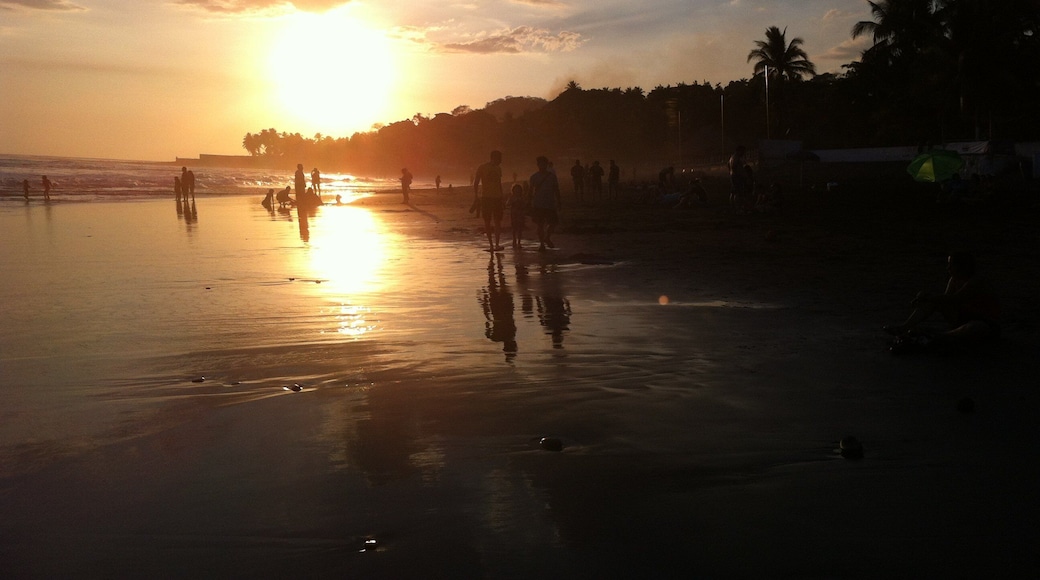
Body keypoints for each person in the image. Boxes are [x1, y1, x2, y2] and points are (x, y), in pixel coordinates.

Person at [885, 252, 1001, 354]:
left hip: (984, 322)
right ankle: (904, 327)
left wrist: (928, 297)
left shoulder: (976, 282)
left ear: (962, 266)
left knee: (975, 327)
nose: (948, 268)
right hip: (963, 316)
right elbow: (946, 299)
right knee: (934, 302)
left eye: (951, 265)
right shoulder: (954, 279)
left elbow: (956, 298)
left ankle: (940, 336)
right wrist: (926, 299)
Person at [472, 150, 505, 252]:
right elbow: (476, 182)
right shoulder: (482, 167)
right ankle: (491, 245)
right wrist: (476, 196)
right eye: (499, 159)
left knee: (497, 221)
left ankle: (497, 245)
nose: (501, 161)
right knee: (487, 221)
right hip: (486, 197)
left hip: (497, 197)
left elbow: (499, 183)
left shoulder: (498, 169)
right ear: (494, 158)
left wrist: (502, 196)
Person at [529, 156, 562, 252]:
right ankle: (542, 244)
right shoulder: (534, 177)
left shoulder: (552, 176)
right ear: (538, 165)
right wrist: (529, 202)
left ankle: (547, 237)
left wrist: (559, 201)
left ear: (547, 164)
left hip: (550, 203)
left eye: (544, 164)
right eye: (540, 164)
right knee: (540, 224)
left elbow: (556, 189)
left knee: (553, 223)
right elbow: (530, 191)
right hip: (538, 204)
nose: (542, 165)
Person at [506, 183, 527, 249]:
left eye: (518, 190)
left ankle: (519, 241)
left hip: (520, 214)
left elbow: (525, 204)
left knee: (520, 228)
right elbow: (507, 204)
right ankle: (514, 240)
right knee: (514, 228)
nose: (517, 191)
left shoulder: (522, 197)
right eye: (516, 190)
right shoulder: (512, 197)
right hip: (514, 214)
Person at [728, 146, 748, 212]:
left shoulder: (732, 157)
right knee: (738, 192)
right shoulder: (736, 158)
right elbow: (734, 167)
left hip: (733, 176)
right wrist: (739, 174)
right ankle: (737, 208)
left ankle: (733, 207)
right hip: (737, 177)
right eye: (743, 151)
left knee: (733, 192)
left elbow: (729, 166)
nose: (743, 153)